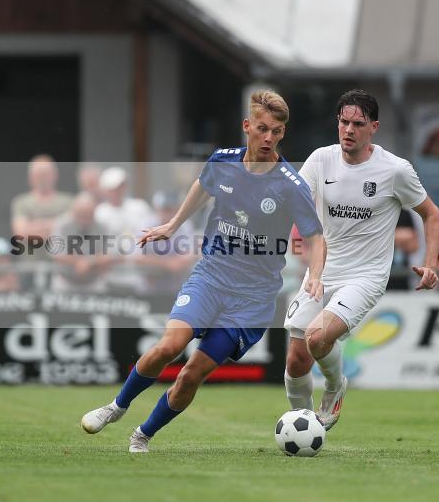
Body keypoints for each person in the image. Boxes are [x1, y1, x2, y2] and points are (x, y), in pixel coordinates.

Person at [80, 90, 323, 453]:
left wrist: (315, 274)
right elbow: (202, 187)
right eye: (262, 128)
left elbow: (316, 236)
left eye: (276, 131)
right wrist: (173, 225)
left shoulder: (290, 185)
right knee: (168, 347)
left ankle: (142, 435)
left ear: (283, 134)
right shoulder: (222, 161)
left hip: (252, 300)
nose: (268, 137)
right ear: (247, 127)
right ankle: (116, 406)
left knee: (191, 373)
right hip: (210, 277)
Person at [282, 89, 439, 429]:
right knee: (296, 359)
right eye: (343, 122)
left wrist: (431, 263)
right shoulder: (320, 160)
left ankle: (336, 385)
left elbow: (431, 215)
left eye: (358, 123)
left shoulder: (395, 170)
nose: (348, 130)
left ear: (374, 128)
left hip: (365, 277)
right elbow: (302, 215)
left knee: (316, 336)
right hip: (323, 271)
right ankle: (304, 424)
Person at [10, 155, 72, 241]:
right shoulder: (21, 202)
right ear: (30, 177)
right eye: (39, 174)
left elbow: (71, 230)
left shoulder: (68, 202)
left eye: (45, 174)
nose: (42, 179)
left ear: (55, 175)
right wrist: (56, 224)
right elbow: (20, 233)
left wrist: (33, 225)